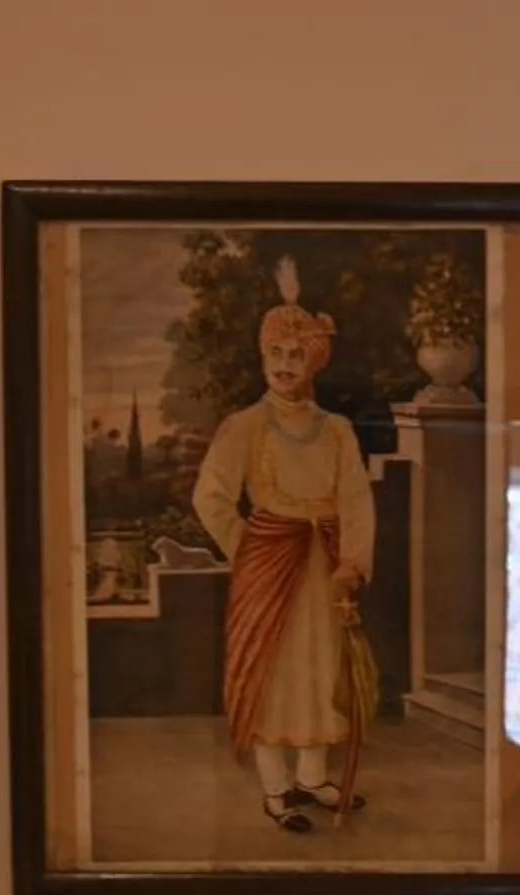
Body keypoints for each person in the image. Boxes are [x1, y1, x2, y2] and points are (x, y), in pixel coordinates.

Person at [192, 260, 379, 835]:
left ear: (314, 360)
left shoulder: (338, 430)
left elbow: (355, 502)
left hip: (324, 567)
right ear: (263, 357)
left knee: (323, 672)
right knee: (272, 675)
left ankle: (314, 776)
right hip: (268, 566)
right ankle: (276, 791)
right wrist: (248, 549)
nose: (284, 366)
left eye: (296, 355)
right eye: (275, 354)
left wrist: (352, 564)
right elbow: (211, 497)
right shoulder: (244, 426)